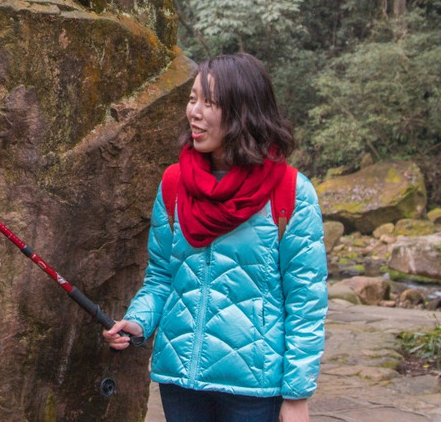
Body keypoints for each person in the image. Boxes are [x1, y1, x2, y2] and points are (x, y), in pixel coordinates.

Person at [104, 53, 328, 422]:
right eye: (193, 99)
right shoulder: (175, 184)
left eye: (210, 103)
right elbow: (162, 277)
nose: (195, 112)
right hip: (182, 382)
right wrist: (138, 322)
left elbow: (306, 303)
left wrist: (298, 395)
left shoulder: (290, 192)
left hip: (255, 390)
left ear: (244, 111)